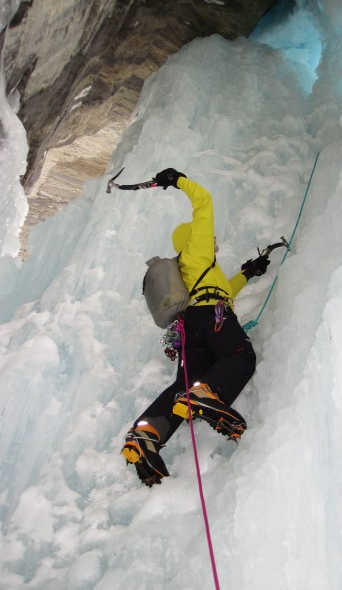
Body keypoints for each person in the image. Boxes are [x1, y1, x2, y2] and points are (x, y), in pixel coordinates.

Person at [116, 168, 271, 487]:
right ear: (192, 236)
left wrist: (249, 272)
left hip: (194, 326)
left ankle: (146, 435)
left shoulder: (193, 270)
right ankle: (207, 393)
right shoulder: (197, 248)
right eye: (208, 237)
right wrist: (179, 181)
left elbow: (223, 290)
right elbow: (204, 202)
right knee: (242, 356)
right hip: (212, 315)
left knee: (182, 388)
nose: (213, 240)